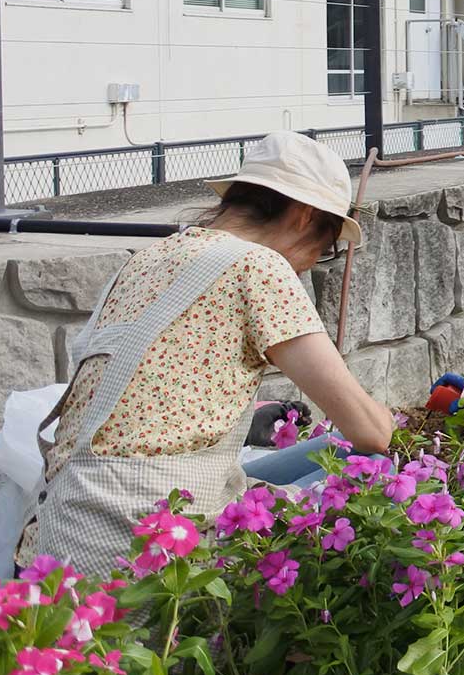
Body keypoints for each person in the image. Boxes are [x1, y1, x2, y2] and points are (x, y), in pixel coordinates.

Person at [29, 132, 395, 577]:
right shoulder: (258, 266)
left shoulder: (148, 258)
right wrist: (386, 419)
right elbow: (371, 431)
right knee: (372, 463)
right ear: (303, 216)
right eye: (326, 246)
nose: (310, 264)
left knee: (335, 448)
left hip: (67, 521)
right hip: (149, 539)